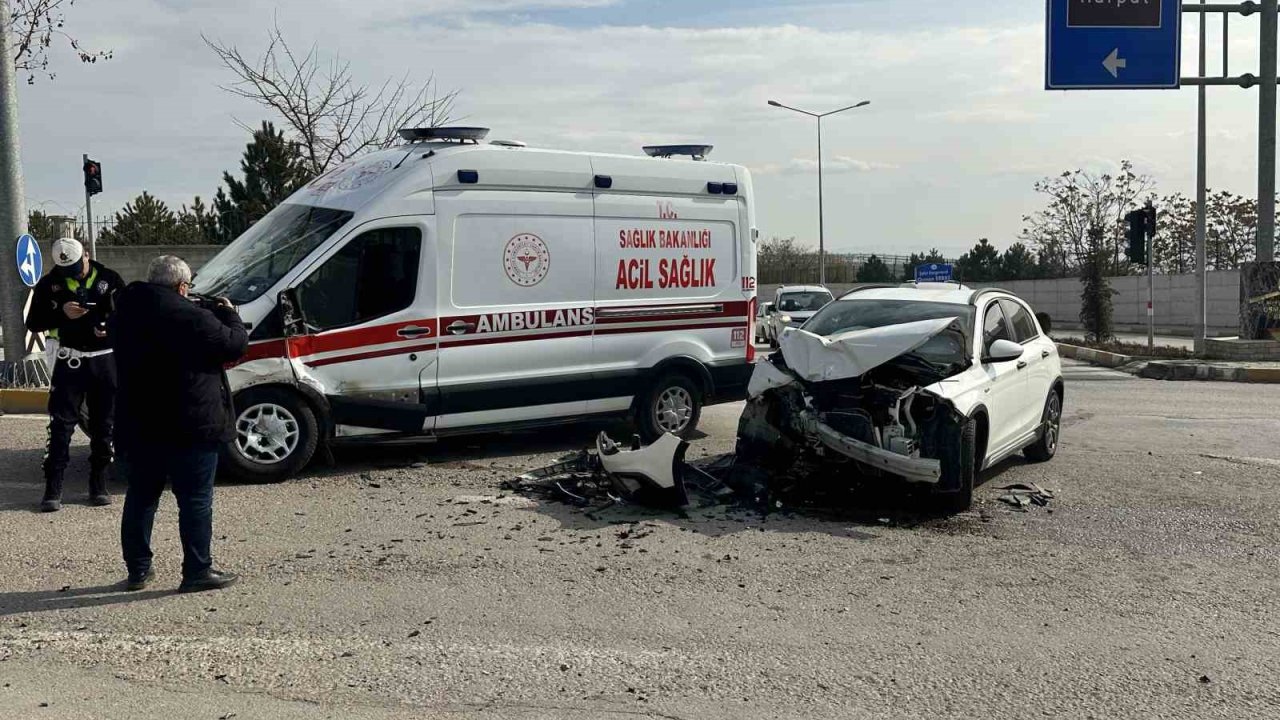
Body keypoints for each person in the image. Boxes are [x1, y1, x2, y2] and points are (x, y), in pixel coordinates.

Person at [110, 256, 248, 593]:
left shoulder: (124, 311)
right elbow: (234, 343)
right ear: (183, 286)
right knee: (195, 499)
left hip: (139, 422)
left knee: (141, 497)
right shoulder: (191, 316)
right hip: (190, 423)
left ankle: (138, 571)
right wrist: (228, 312)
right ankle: (197, 571)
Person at [24, 238, 124, 512]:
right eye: (68, 271)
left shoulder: (109, 278)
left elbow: (127, 316)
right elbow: (33, 322)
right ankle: (53, 489)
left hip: (104, 362)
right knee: (60, 427)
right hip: (70, 362)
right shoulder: (49, 284)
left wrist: (110, 328)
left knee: (104, 427)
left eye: (78, 268)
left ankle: (98, 484)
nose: (75, 274)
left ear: (87, 256)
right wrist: (61, 314)